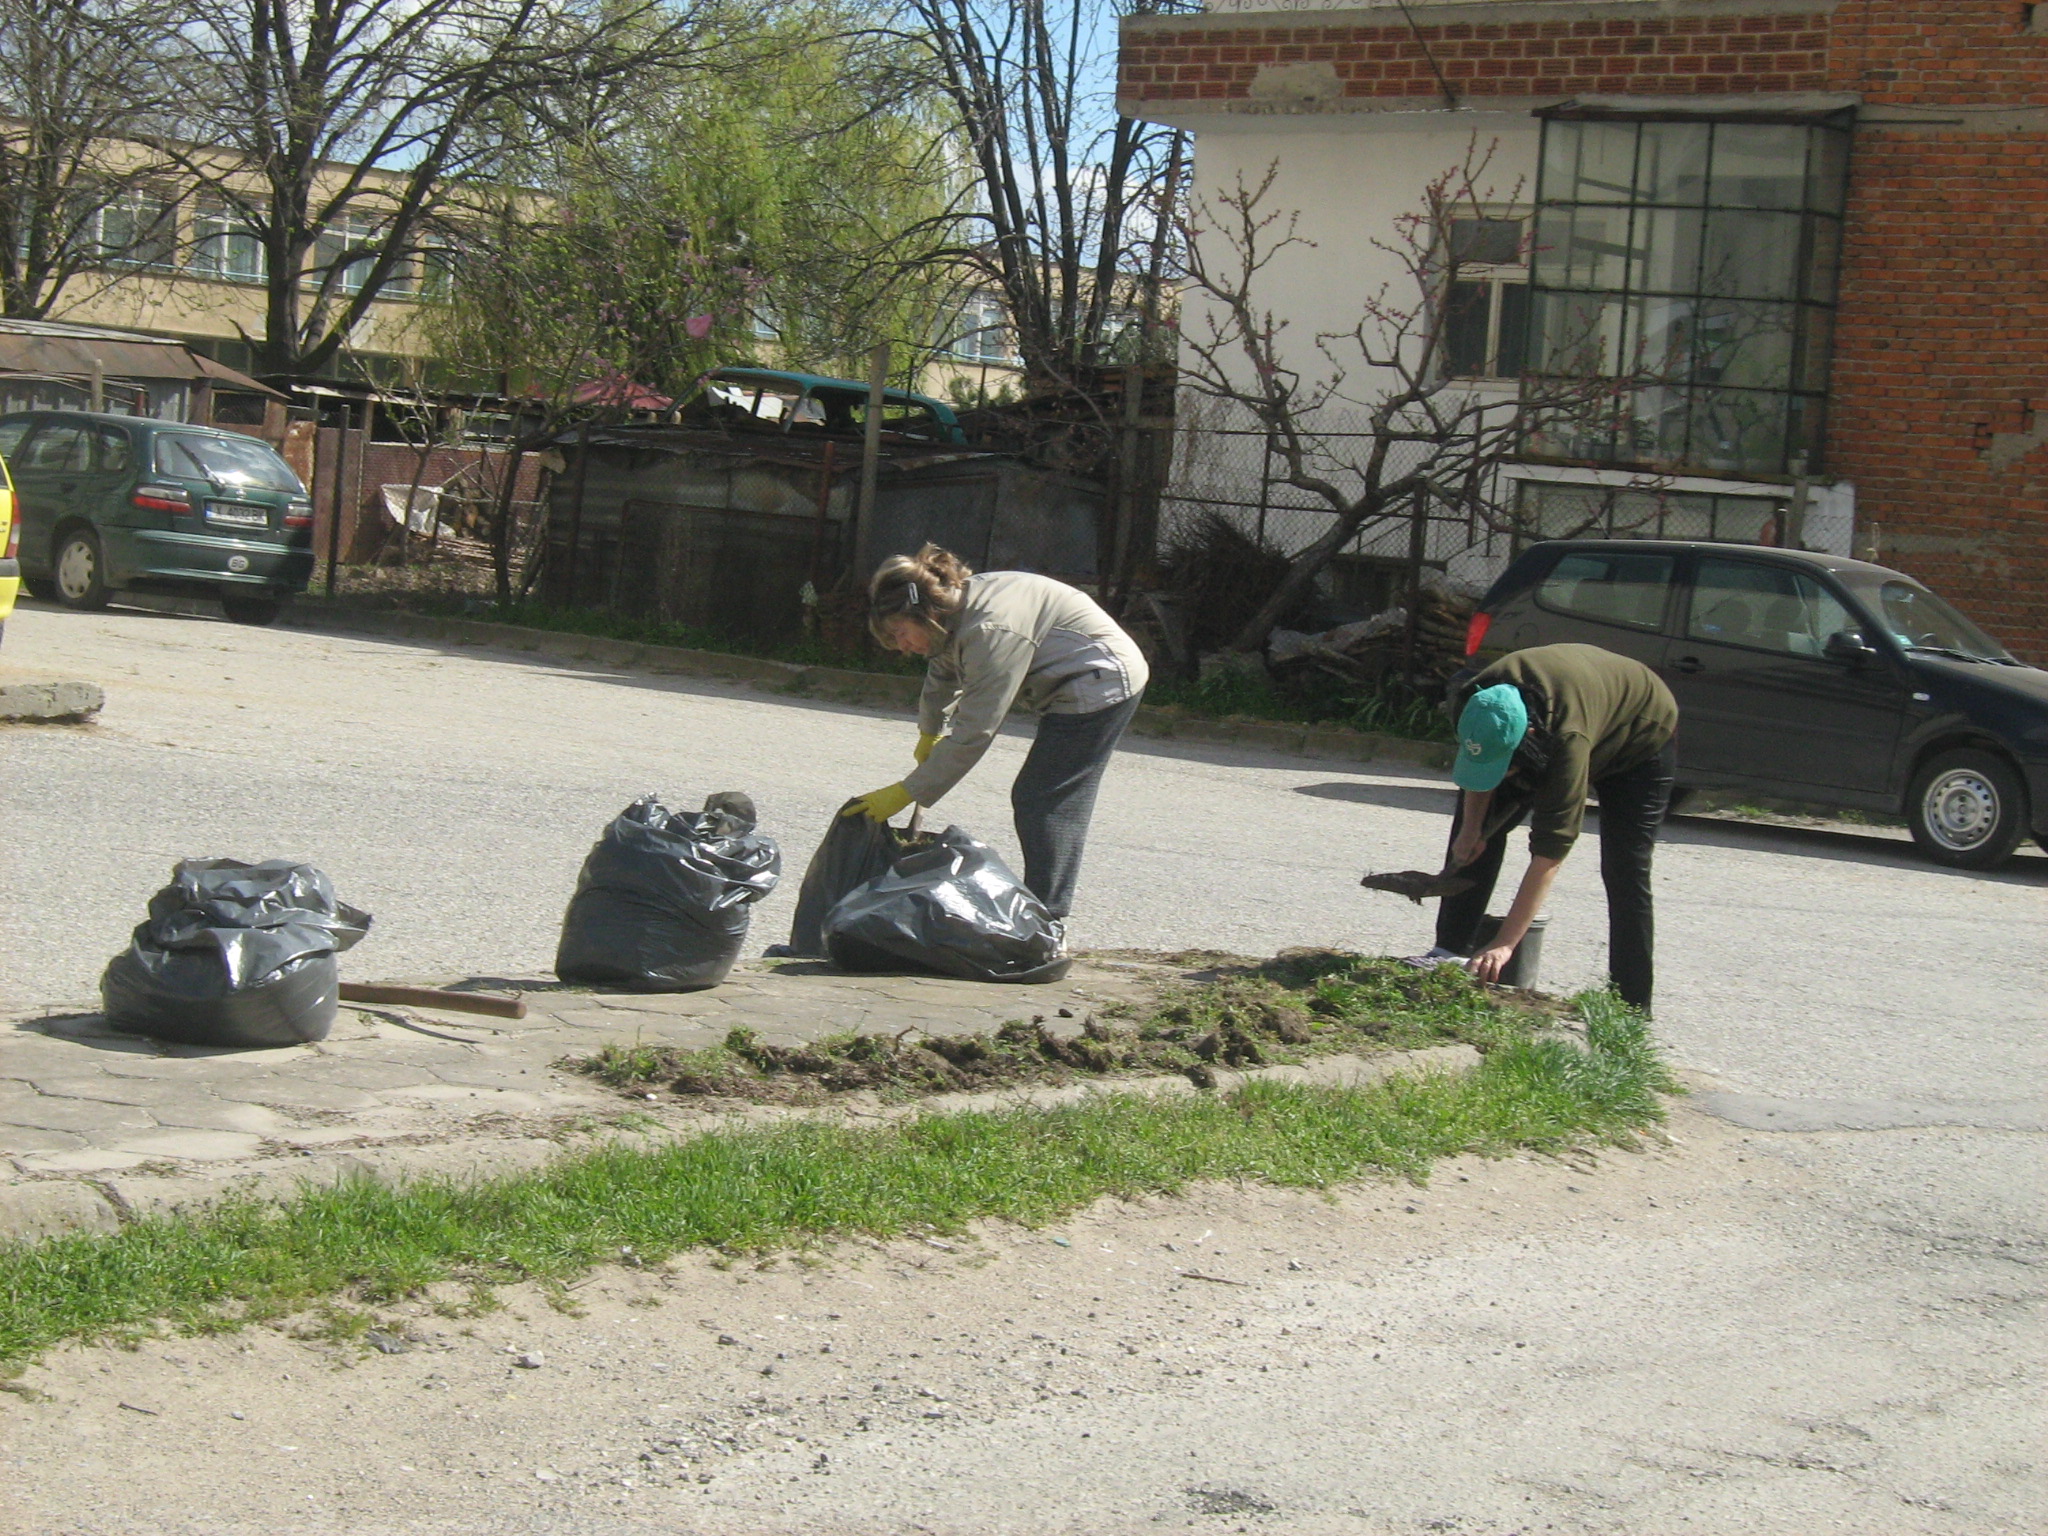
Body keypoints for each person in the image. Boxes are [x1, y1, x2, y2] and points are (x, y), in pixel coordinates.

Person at [844, 544, 1148, 929]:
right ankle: (1044, 910)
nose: (903, 648)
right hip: (1071, 680)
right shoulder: (951, 613)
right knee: (1041, 795)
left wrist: (908, 790)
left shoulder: (989, 629)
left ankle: (1047, 919)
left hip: (1101, 680)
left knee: (1044, 797)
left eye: (901, 634)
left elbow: (976, 731)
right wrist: (930, 730)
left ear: (925, 614)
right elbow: (942, 670)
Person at [1427, 642, 1678, 1012]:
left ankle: (1631, 1006)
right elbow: (1478, 772)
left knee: (1625, 869)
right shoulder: (1475, 702)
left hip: (1640, 733)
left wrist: (1505, 943)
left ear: (1528, 738)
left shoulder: (1566, 740)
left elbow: (1549, 855)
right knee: (1475, 834)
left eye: (1507, 764)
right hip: (1563, 710)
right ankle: (1447, 953)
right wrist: (1472, 829)